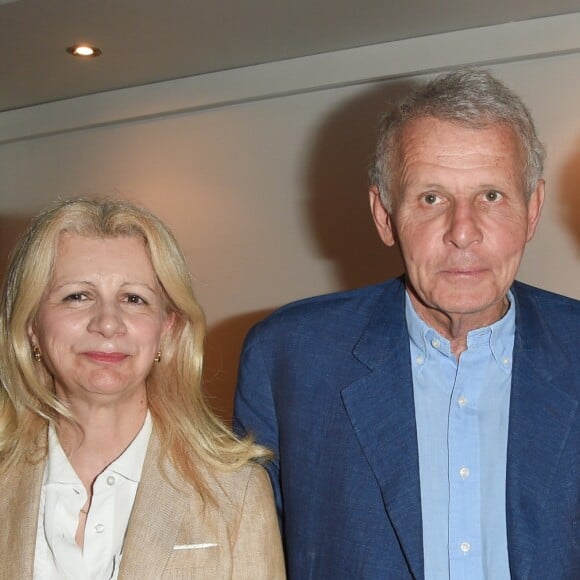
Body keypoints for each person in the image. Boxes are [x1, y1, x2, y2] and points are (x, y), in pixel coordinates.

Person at [234, 69, 579, 579]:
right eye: (431, 197)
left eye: (491, 196)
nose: (463, 233)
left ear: (531, 210)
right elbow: (243, 560)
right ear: (384, 214)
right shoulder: (289, 359)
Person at [0, 197, 285, 579]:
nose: (107, 322)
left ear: (166, 329)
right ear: (32, 324)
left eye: (133, 299)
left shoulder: (236, 492)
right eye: (77, 296)